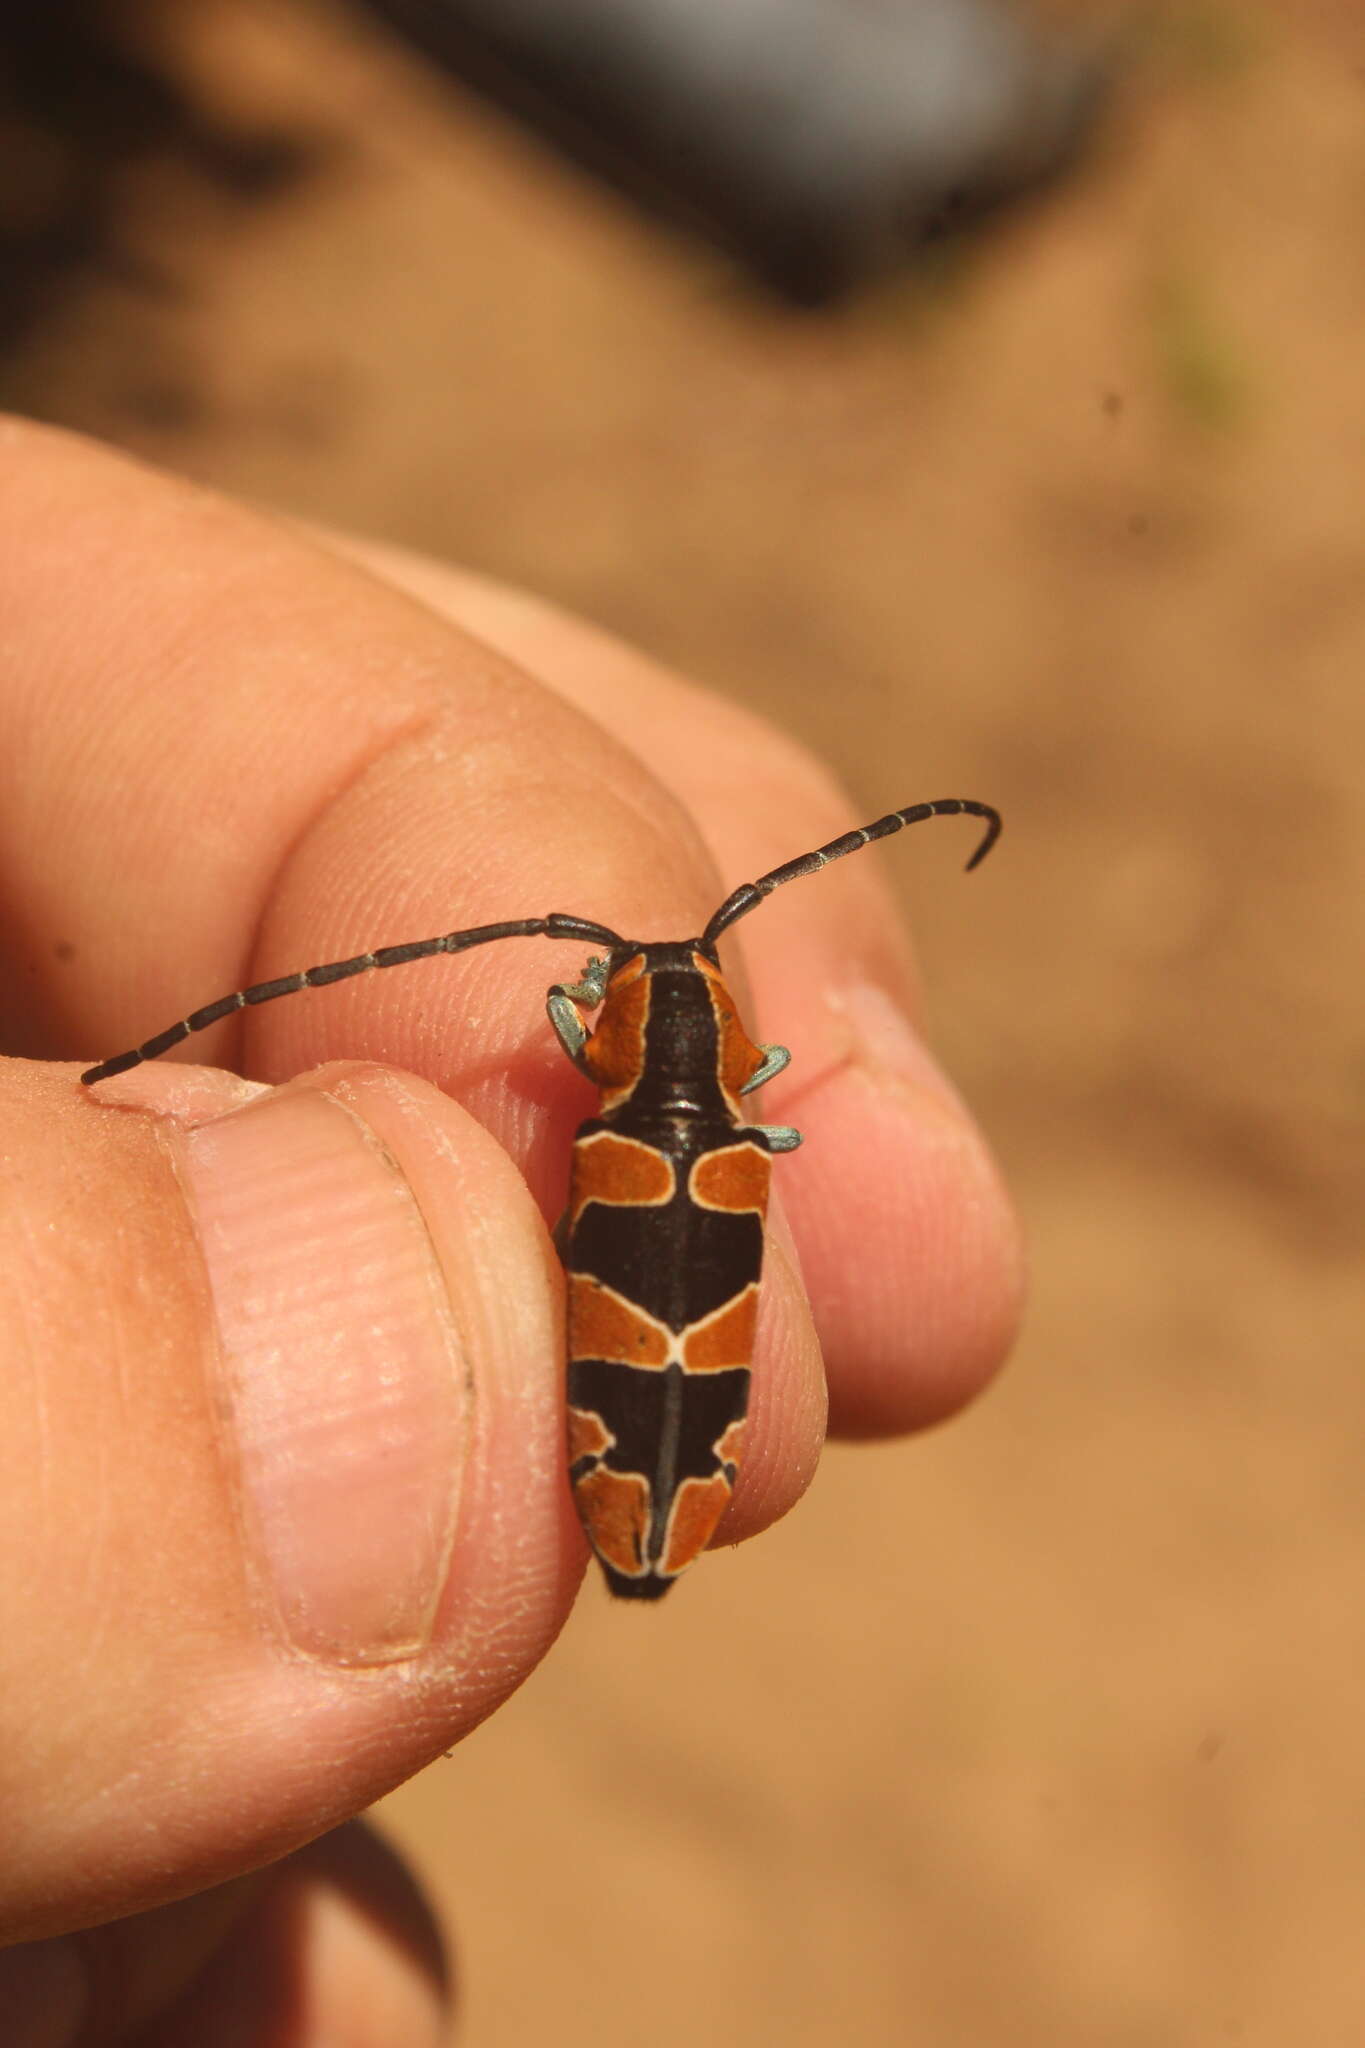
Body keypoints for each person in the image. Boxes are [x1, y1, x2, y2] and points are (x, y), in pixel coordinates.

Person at [0, 418, 1022, 2043]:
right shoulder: (739, 1123)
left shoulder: (609, 1120)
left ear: (619, 1041)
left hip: (639, 1463)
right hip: (655, 1455)